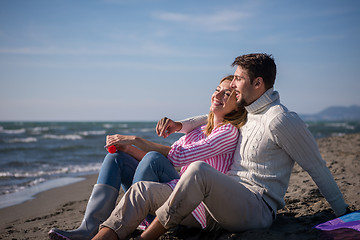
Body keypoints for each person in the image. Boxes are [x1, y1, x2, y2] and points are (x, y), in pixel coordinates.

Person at [92, 53, 349, 240]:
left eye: (237, 79)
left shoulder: (280, 119)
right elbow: (210, 116)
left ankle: (148, 237)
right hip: (219, 203)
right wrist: (180, 124)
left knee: (198, 170)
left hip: (257, 208)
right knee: (140, 191)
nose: (232, 85)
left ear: (258, 83)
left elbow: (317, 167)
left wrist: (346, 215)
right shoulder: (248, 113)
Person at [49, 75, 247, 240]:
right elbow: (166, 160)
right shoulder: (199, 130)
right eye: (217, 89)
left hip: (195, 202)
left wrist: (134, 140)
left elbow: (177, 157)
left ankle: (132, 221)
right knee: (117, 157)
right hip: (174, 189)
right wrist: (128, 149)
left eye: (227, 93)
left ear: (237, 106)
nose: (218, 95)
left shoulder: (228, 132)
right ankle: (89, 228)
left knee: (152, 156)